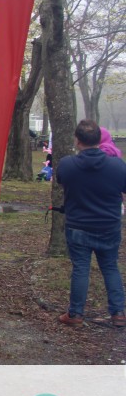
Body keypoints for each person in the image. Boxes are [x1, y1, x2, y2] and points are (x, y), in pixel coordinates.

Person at [55, 119, 126, 328]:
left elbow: (61, 181)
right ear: (99, 139)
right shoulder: (117, 166)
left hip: (78, 226)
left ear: (77, 140)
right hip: (108, 226)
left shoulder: (67, 165)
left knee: (81, 269)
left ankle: (75, 313)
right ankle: (118, 312)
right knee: (110, 267)